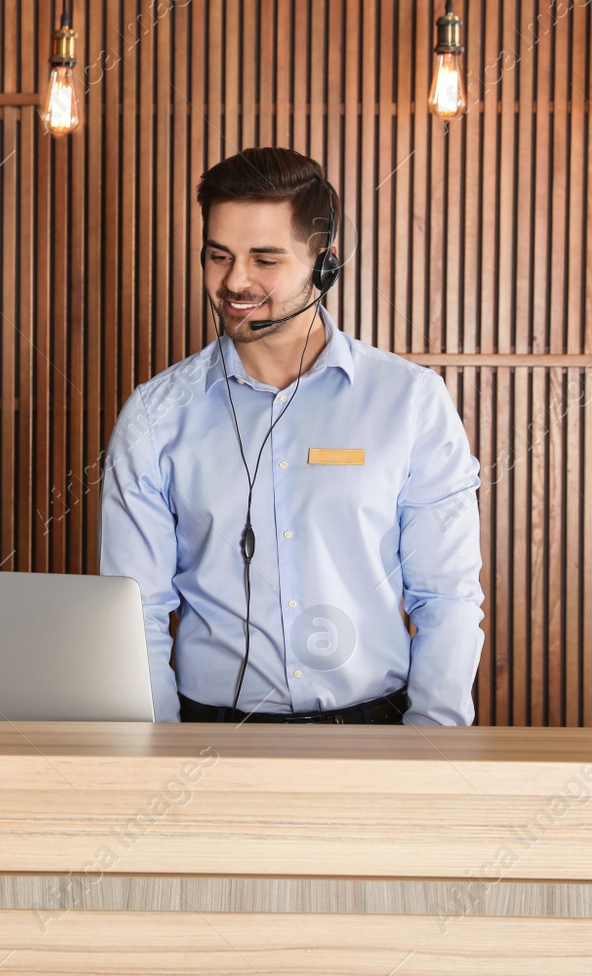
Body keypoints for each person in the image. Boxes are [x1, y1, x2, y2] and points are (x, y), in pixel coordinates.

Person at [98, 147, 485, 725]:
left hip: (376, 735)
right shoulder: (155, 415)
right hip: (206, 741)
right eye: (218, 255)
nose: (235, 281)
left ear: (324, 264)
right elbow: (136, 613)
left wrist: (429, 747)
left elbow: (447, 598)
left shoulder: (410, 403)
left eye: (265, 259)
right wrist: (161, 751)